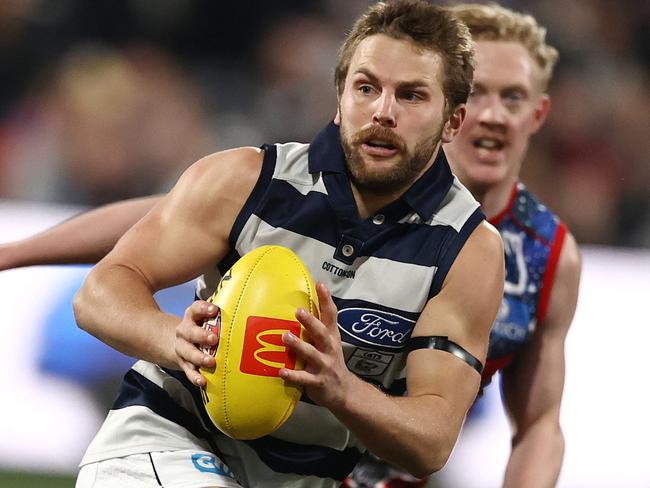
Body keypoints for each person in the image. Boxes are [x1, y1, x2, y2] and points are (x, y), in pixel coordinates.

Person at [0, 2, 579, 487]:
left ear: (449, 120)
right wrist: (177, 340)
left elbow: (433, 442)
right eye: (365, 88)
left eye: (410, 96)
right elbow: (101, 290)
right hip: (166, 437)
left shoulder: (480, 252)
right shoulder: (248, 179)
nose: (381, 111)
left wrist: (339, 387)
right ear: (339, 94)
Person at [343, 3, 582, 487]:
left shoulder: (548, 254)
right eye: (477, 94)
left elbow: (539, 425)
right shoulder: (354, 188)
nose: (494, 115)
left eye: (513, 98)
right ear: (448, 106)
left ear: (537, 114)